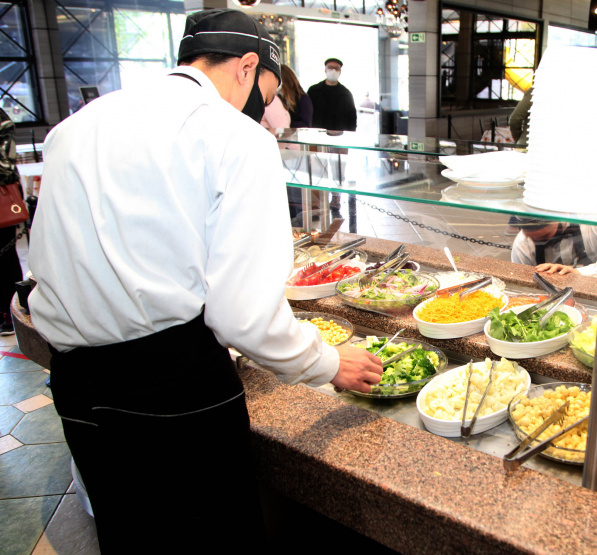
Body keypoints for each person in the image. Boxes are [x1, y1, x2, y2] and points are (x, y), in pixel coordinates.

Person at [27, 9, 382, 552]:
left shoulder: (77, 125)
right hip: (173, 387)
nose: (265, 107)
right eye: (266, 88)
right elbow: (241, 314)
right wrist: (327, 362)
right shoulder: (234, 137)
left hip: (76, 378)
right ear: (246, 66)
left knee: (128, 535)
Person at [510, 217, 597, 281]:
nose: (537, 242)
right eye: (533, 238)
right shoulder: (522, 243)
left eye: (545, 237)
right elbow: (522, 282)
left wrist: (581, 273)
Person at [0, 108, 22, 335]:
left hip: (2, 194)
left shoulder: (1, 120)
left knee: (4, 256)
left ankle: (9, 311)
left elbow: (6, 163)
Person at [307, 57, 357, 131]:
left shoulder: (346, 93)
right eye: (330, 67)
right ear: (325, 70)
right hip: (317, 134)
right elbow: (306, 113)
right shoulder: (313, 90)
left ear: (340, 71)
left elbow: (352, 118)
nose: (333, 70)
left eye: (336, 68)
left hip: (339, 136)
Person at [279, 64, 313, 128]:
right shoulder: (276, 98)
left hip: (295, 136)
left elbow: (306, 124)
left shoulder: (302, 98)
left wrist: (285, 124)